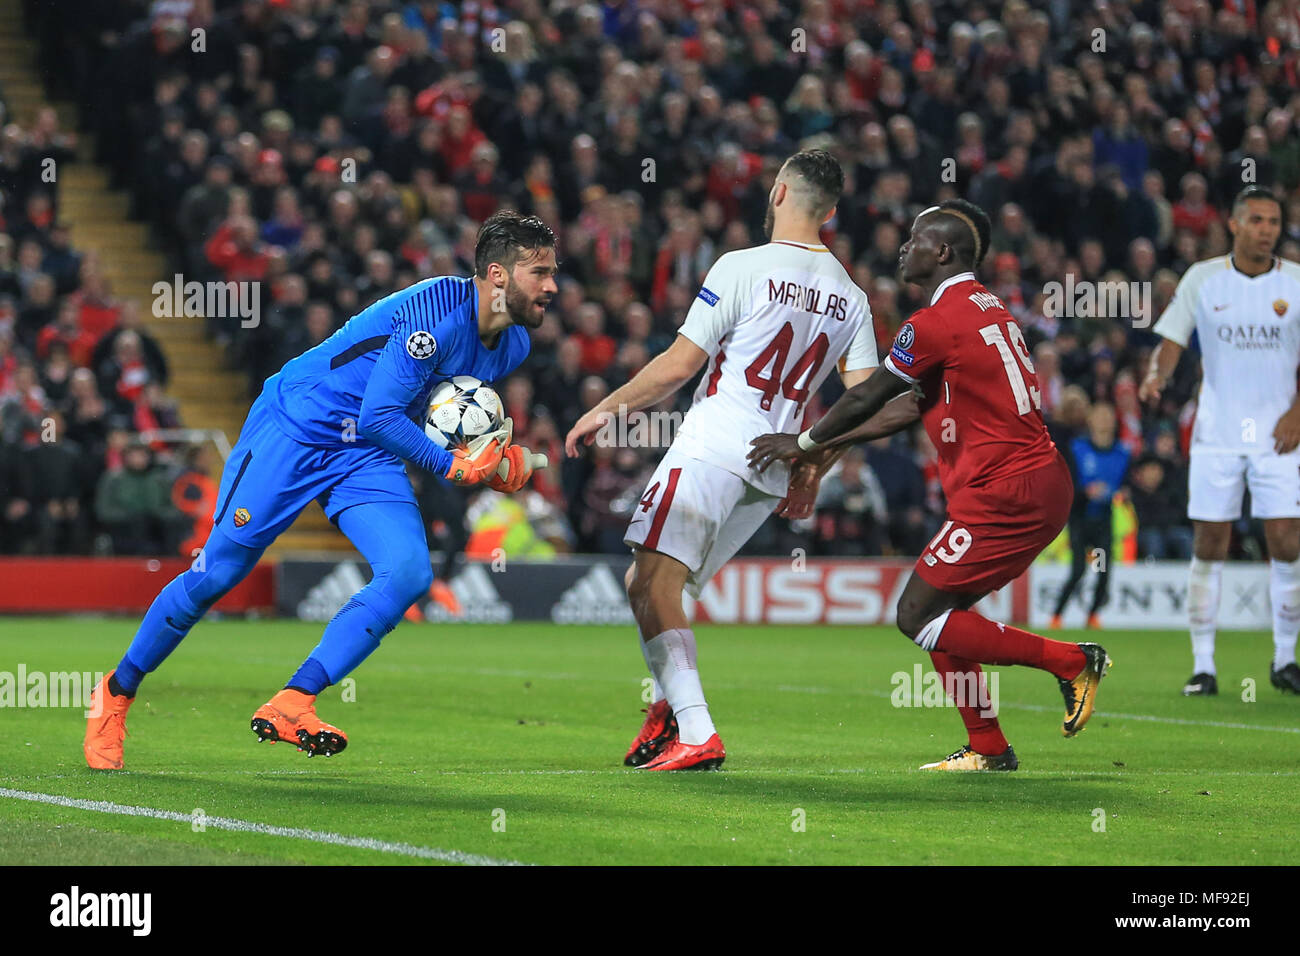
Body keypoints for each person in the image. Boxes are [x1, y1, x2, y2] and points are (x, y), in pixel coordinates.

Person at [85, 212, 557, 769]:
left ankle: (294, 700)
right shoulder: (436, 315)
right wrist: (455, 468)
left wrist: (495, 458)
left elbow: (440, 413)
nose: (552, 286)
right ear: (497, 275)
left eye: (554, 273)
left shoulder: (513, 345)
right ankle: (115, 693)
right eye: (540, 272)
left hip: (363, 453)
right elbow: (380, 412)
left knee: (408, 572)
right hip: (297, 425)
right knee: (217, 574)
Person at [749, 198, 1111, 772]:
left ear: (941, 252)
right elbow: (903, 410)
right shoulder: (987, 309)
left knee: (915, 615)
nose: (902, 247)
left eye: (914, 239)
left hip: (1007, 489)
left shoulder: (934, 323)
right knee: (946, 620)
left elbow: (871, 394)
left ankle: (1071, 661)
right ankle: (988, 747)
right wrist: (829, 448)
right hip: (1033, 481)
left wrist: (806, 443)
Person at [564, 150, 884, 770]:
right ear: (833, 211)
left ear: (779, 193)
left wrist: (608, 406)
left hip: (716, 444)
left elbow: (681, 366)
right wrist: (816, 461)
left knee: (654, 581)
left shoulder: (744, 265)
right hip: (771, 468)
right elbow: (866, 402)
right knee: (653, 585)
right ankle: (667, 712)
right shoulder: (852, 296)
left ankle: (697, 731)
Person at [1140, 186, 1300, 696]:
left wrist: (1297, 412)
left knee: (1287, 541)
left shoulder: (1297, 283)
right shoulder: (1203, 279)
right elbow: (1171, 343)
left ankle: (1284, 659)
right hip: (1217, 432)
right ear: (1234, 224)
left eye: (1274, 221)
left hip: (1280, 434)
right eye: (1256, 220)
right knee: (1210, 543)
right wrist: (1155, 378)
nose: (1267, 229)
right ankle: (1203, 666)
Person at [1049, 402, 1130, 628]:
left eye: (1108, 415)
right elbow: (1067, 482)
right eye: (1100, 415)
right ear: (1090, 420)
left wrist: (1122, 492)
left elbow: (1127, 483)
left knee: (1103, 569)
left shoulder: (1122, 452)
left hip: (1103, 520)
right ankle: (1056, 615)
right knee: (1078, 570)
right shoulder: (1077, 448)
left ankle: (1093, 614)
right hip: (1080, 519)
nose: (1104, 420)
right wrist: (1086, 493)